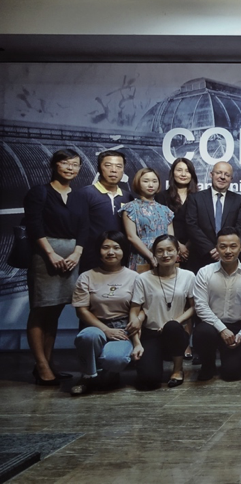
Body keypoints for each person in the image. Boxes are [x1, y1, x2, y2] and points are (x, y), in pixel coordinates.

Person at [24, 149, 87, 385]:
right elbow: (34, 225)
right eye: (65, 163)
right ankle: (41, 365)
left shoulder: (79, 196)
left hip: (72, 256)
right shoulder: (39, 192)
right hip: (45, 254)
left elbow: (84, 226)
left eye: (75, 164)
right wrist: (50, 253)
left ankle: (48, 362)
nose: (70, 168)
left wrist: (77, 253)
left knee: (56, 309)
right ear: (54, 165)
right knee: (41, 309)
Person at [71, 231, 142, 395]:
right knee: (88, 337)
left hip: (123, 328)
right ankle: (87, 377)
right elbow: (81, 311)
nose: (111, 252)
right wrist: (106, 330)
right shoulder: (86, 276)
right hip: (96, 325)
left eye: (116, 247)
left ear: (124, 250)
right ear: (98, 250)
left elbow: (140, 308)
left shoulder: (135, 277)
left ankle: (109, 372)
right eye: (105, 247)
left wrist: (137, 321)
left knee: (115, 359)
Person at [131, 235, 195, 389]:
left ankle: (177, 370)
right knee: (148, 380)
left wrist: (175, 322)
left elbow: (194, 307)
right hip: (151, 332)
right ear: (154, 253)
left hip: (176, 332)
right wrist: (136, 343)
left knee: (172, 327)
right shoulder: (143, 279)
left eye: (169, 250)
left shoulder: (188, 276)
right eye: (160, 251)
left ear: (177, 251)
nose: (165, 255)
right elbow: (134, 311)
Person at [193, 227, 241, 382]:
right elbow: (200, 306)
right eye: (223, 247)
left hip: (237, 327)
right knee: (202, 331)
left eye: (233, 246)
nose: (228, 251)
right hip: (212, 325)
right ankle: (208, 365)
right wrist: (222, 329)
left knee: (232, 374)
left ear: (240, 248)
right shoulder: (204, 272)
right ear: (216, 248)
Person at [185, 161, 241, 273]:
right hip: (200, 256)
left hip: (229, 257)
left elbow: (240, 227)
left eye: (227, 175)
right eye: (219, 173)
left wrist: (223, 249)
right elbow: (191, 225)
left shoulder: (239, 201)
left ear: (231, 179)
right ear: (211, 174)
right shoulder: (195, 198)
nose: (222, 177)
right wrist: (211, 249)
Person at [76, 150, 133, 271]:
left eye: (119, 166)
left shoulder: (128, 197)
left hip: (120, 260)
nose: (114, 170)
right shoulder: (85, 193)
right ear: (99, 168)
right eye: (108, 165)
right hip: (91, 259)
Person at [122, 168, 174, 272]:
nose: (151, 185)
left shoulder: (166, 210)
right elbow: (131, 236)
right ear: (138, 183)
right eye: (146, 181)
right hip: (141, 255)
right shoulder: (130, 208)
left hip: (164, 256)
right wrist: (150, 256)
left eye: (154, 181)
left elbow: (171, 237)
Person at [155, 157, 198, 268]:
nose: (183, 174)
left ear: (192, 175)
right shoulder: (161, 196)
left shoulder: (200, 197)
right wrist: (177, 245)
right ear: (172, 173)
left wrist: (187, 246)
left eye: (187, 171)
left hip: (195, 248)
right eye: (179, 170)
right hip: (169, 249)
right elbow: (161, 225)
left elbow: (202, 224)